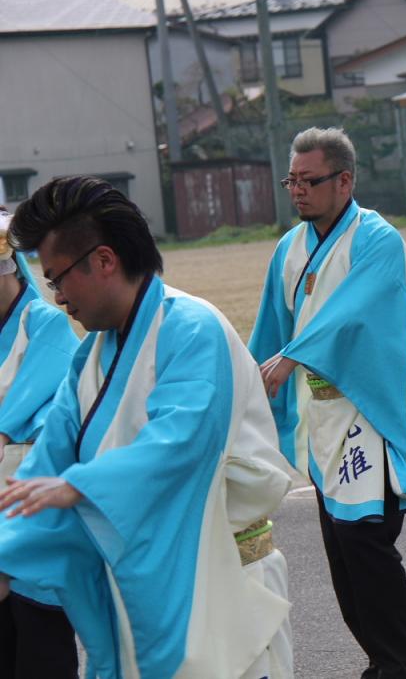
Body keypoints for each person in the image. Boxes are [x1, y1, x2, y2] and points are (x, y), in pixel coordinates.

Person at [0, 176, 294, 678]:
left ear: (104, 260)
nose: (56, 297)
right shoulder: (89, 358)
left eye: (57, 279)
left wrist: (79, 485)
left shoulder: (193, 329)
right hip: (145, 587)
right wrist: (6, 555)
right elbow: (47, 464)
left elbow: (179, 445)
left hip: (221, 580)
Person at [249, 126, 406, 679]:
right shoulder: (289, 248)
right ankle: (383, 661)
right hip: (322, 420)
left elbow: (353, 310)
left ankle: (399, 666)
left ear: (345, 181)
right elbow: (271, 329)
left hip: (367, 412)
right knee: (343, 557)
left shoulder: (377, 240)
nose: (297, 191)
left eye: (310, 180)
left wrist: (292, 356)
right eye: (291, 180)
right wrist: (248, 385)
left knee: (367, 544)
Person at [0, 209, 80, 678]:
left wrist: (8, 429)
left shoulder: (44, 323)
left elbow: (54, 407)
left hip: (29, 497)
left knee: (38, 631)